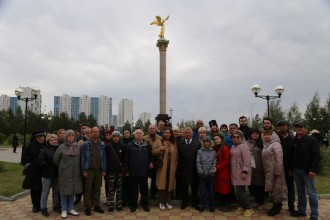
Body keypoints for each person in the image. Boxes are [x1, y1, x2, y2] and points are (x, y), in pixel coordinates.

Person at [290, 121, 320, 220]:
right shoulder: (294, 140)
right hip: (296, 170)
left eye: (301, 126)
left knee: (311, 193)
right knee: (300, 191)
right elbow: (291, 155)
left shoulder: (312, 140)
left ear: (305, 129)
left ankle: (314, 215)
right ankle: (302, 211)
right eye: (297, 126)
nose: (298, 128)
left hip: (307, 171)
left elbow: (316, 156)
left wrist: (313, 169)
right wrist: (291, 168)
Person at [53, 130, 82, 218]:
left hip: (75, 173)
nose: (70, 137)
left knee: (72, 191)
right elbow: (55, 160)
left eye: (72, 135)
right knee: (64, 192)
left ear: (74, 136)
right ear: (66, 137)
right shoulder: (61, 147)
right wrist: (63, 167)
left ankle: (71, 208)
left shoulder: (78, 146)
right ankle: (64, 209)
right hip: (64, 173)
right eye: (69, 135)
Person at [124, 129, 153, 213]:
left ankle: (145, 204)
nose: (139, 135)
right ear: (134, 135)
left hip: (144, 172)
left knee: (144, 190)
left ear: (143, 135)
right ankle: (134, 205)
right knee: (134, 190)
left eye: (140, 133)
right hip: (133, 172)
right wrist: (126, 170)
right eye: (137, 133)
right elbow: (126, 159)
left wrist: (151, 162)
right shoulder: (130, 145)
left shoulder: (147, 145)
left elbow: (151, 156)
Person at [81, 127, 106, 216]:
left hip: (99, 170)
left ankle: (97, 205)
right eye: (94, 132)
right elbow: (83, 157)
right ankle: (88, 207)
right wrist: (84, 170)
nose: (95, 133)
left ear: (99, 133)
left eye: (97, 132)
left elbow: (103, 158)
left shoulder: (102, 144)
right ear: (91, 133)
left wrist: (104, 169)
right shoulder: (86, 144)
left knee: (98, 188)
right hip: (89, 169)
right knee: (87, 189)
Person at [152, 127, 178, 210]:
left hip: (171, 168)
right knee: (162, 185)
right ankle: (161, 202)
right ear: (163, 133)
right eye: (166, 132)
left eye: (169, 133)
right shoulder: (159, 141)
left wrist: (176, 165)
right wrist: (160, 149)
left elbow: (177, 156)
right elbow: (153, 152)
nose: (167, 134)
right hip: (162, 168)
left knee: (170, 185)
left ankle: (168, 201)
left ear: (171, 134)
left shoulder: (174, 143)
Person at [262, 129, 286, 216]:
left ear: (273, 135)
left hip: (275, 171)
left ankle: (275, 208)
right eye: (265, 135)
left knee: (277, 189)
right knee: (273, 188)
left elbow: (279, 158)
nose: (266, 136)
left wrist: (278, 171)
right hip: (269, 171)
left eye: (268, 134)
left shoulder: (276, 144)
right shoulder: (266, 144)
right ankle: (278, 206)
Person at [230, 130, 253, 217]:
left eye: (238, 137)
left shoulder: (244, 146)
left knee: (240, 191)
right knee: (239, 190)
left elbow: (247, 161)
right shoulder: (233, 146)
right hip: (235, 172)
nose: (236, 138)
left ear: (241, 137)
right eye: (234, 137)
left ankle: (248, 208)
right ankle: (241, 206)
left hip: (242, 172)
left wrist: (244, 171)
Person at [22, 131, 45, 213]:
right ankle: (35, 205)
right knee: (34, 189)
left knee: (42, 189)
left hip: (43, 170)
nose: (41, 138)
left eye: (42, 136)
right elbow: (24, 158)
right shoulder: (31, 146)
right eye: (38, 137)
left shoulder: (45, 145)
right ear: (35, 138)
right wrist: (29, 166)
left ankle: (40, 204)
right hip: (33, 171)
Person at [177, 127, 201, 210]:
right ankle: (184, 203)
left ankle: (195, 203)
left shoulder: (197, 143)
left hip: (194, 169)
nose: (187, 134)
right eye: (186, 133)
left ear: (192, 134)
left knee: (194, 187)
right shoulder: (179, 143)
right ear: (184, 134)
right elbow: (178, 156)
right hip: (183, 169)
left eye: (189, 133)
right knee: (184, 187)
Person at [38, 134, 60, 217]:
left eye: (55, 140)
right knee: (45, 192)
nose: (54, 141)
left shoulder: (59, 148)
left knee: (56, 191)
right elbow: (40, 160)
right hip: (47, 174)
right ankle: (43, 208)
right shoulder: (44, 149)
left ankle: (56, 206)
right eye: (52, 140)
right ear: (48, 141)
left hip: (56, 174)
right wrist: (47, 166)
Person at [277, 120, 296, 213]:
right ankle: (278, 205)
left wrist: (291, 168)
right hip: (278, 167)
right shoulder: (276, 138)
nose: (281, 127)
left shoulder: (292, 139)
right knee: (278, 187)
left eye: (283, 125)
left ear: (287, 126)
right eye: (279, 126)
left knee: (290, 187)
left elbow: (294, 154)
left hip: (289, 168)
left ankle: (291, 206)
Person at [105, 131, 125, 213]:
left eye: (117, 136)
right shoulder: (108, 146)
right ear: (112, 137)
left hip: (120, 171)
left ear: (119, 137)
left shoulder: (122, 146)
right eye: (114, 136)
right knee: (111, 189)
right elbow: (105, 159)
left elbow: (124, 159)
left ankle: (119, 204)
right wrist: (106, 170)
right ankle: (110, 205)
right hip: (111, 171)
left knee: (119, 189)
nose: (116, 138)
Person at [196, 137, 217, 213]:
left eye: (208, 142)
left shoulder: (213, 152)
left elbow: (214, 163)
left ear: (210, 143)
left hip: (211, 175)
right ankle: (203, 205)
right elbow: (198, 163)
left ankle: (212, 206)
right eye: (204, 142)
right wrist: (201, 172)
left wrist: (211, 172)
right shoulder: (199, 151)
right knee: (203, 191)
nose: (206, 143)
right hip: (202, 175)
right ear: (203, 143)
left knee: (211, 191)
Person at [246, 129, 265, 209]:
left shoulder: (262, 143)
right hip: (250, 167)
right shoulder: (247, 143)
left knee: (260, 185)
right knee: (253, 184)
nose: (255, 135)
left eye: (257, 134)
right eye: (253, 134)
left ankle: (261, 202)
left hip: (260, 167)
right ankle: (256, 200)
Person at [213, 134, 231, 212]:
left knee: (225, 188)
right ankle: (223, 203)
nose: (216, 141)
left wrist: (217, 167)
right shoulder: (217, 148)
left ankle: (226, 204)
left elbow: (227, 161)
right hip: (218, 171)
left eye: (217, 139)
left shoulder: (224, 148)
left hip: (224, 171)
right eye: (215, 140)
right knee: (220, 188)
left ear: (221, 139)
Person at [143, 124, 162, 199]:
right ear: (148, 130)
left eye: (153, 129)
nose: (152, 130)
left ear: (156, 129)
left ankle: (153, 194)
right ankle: (144, 195)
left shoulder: (160, 138)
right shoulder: (144, 138)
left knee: (154, 179)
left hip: (156, 161)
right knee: (144, 179)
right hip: (145, 161)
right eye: (150, 129)